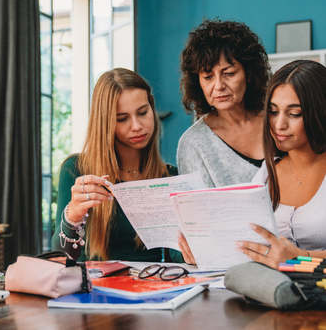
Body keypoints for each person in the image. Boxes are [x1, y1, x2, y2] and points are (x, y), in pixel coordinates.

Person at [51, 68, 178, 262]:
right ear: (105, 122)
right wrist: (74, 215)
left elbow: (179, 261)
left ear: (152, 107)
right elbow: (62, 257)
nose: (136, 126)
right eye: (122, 119)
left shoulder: (170, 177)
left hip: (153, 285)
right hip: (93, 287)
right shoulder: (77, 170)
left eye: (143, 112)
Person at [235, 60, 326, 269]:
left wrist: (301, 258)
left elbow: (291, 259)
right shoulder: (266, 173)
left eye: (294, 113)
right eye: (273, 111)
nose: (279, 124)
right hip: (275, 292)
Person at [177, 19, 270, 188]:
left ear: (249, 75)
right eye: (208, 77)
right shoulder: (193, 144)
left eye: (229, 73)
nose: (218, 86)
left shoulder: (278, 119)